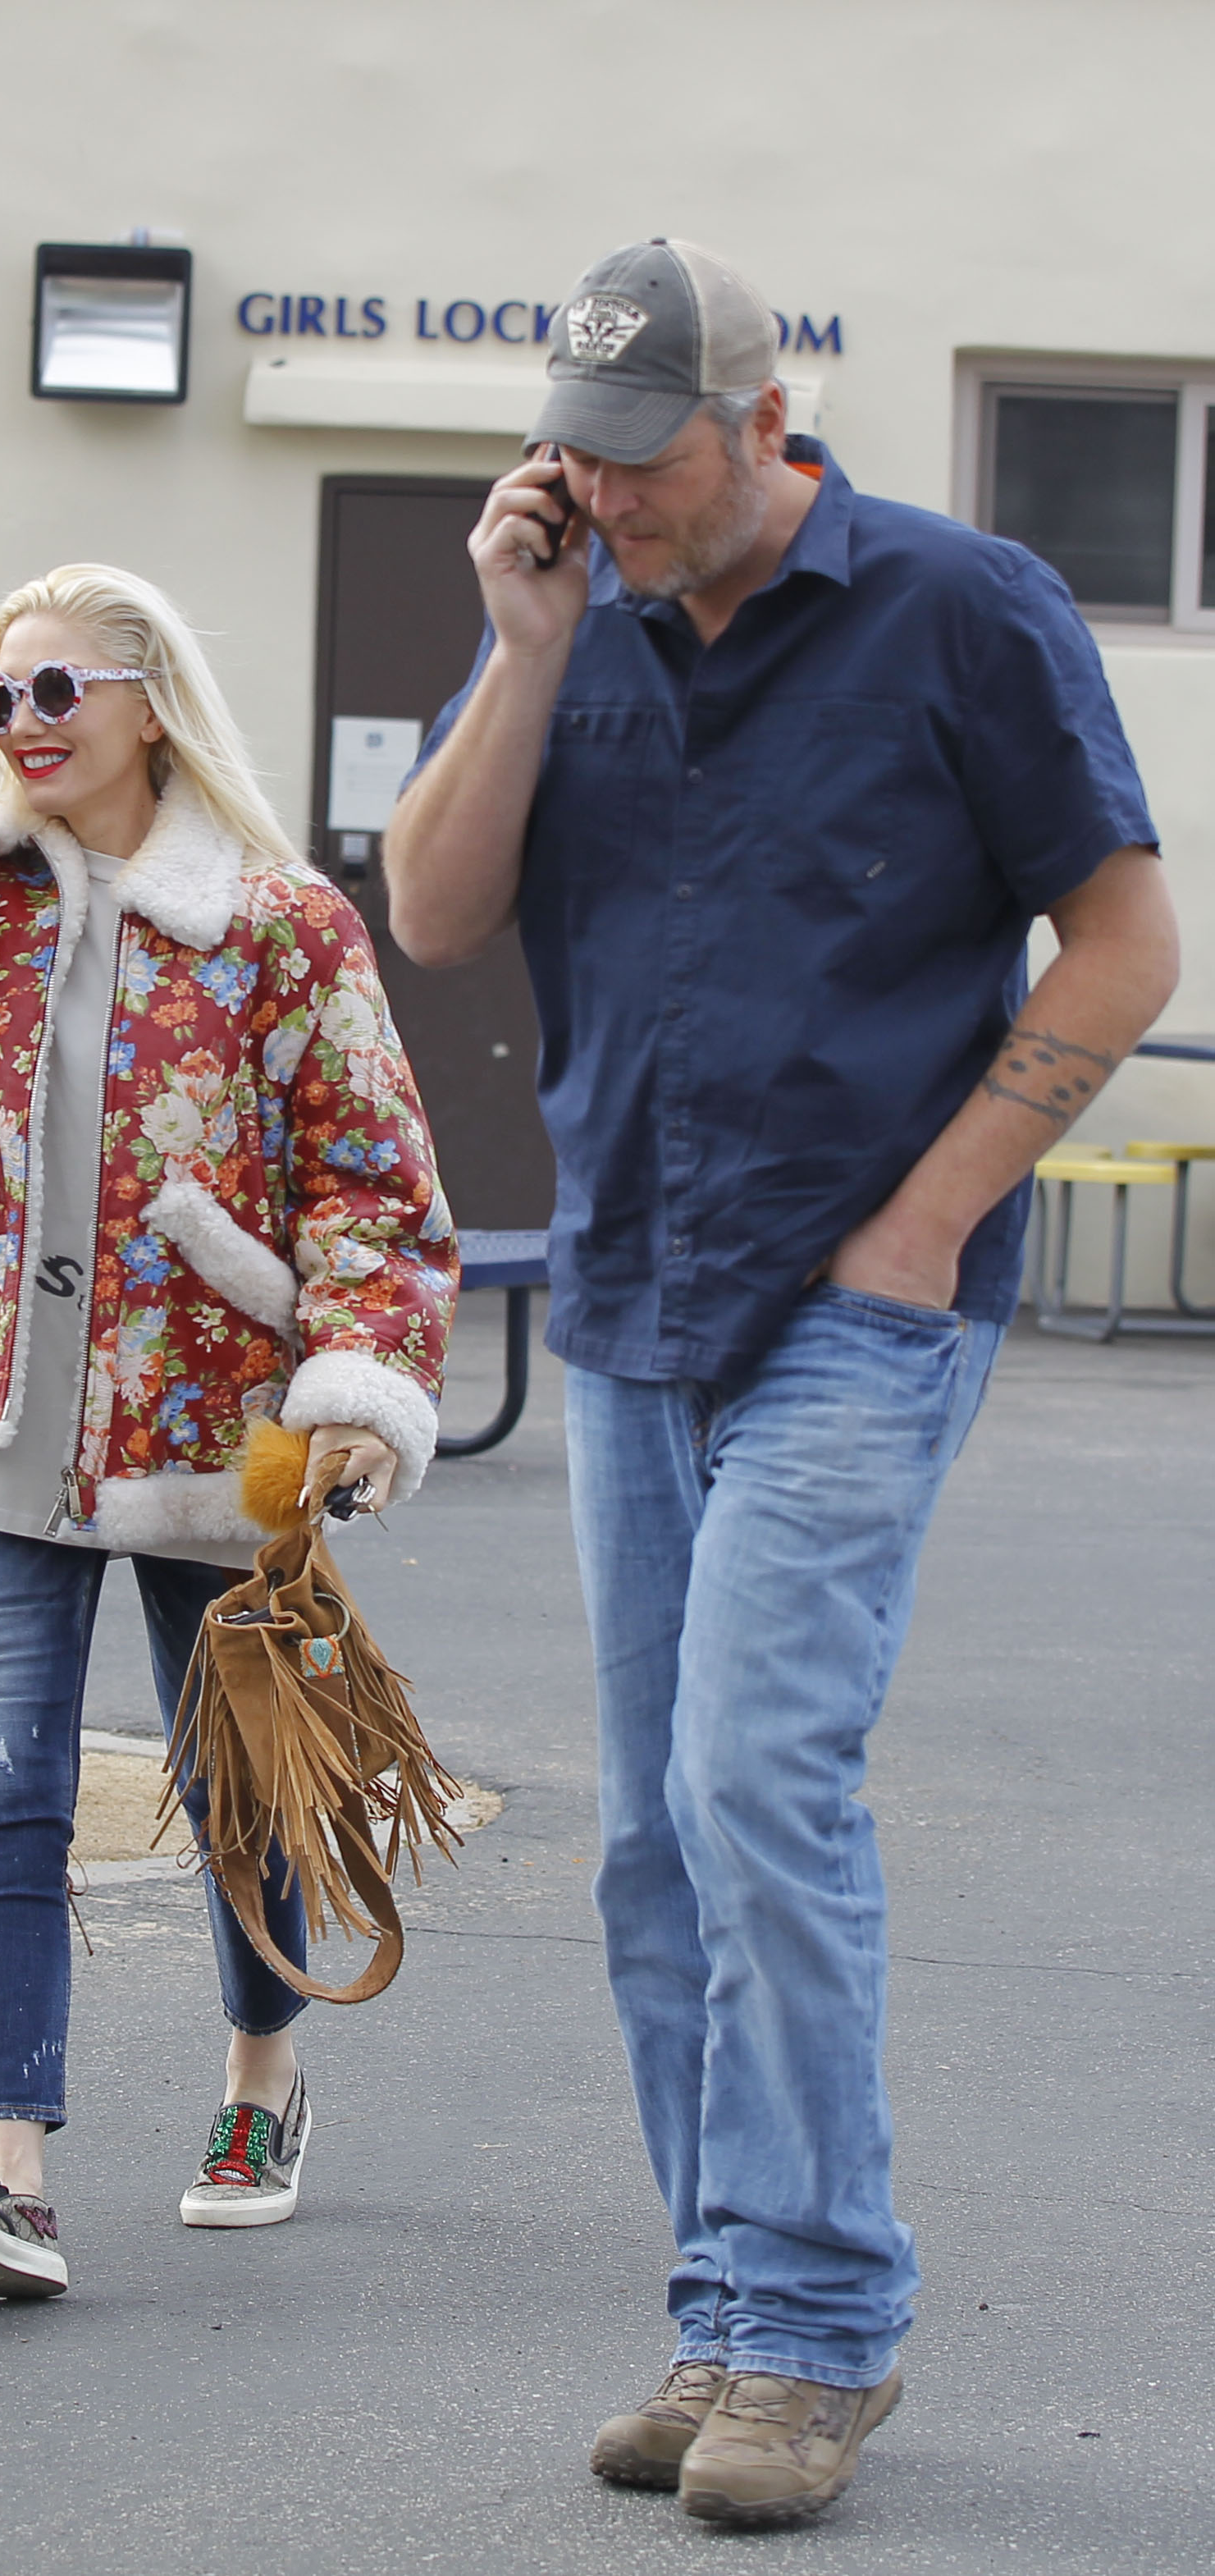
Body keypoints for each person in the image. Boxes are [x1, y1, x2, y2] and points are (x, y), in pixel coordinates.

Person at [383, 238, 1176, 2525]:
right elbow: (432, 911)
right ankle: (725, 2300)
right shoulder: (566, 607)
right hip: (632, 1287)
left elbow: (1120, 934)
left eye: (647, 459)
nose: (608, 497)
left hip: (851, 1295)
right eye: (580, 457)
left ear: (758, 421)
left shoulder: (960, 602)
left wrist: (928, 1218)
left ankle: (820, 2325)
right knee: (647, 1835)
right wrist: (526, 644)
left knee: (753, 1783)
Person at [0, 562, 456, 2301]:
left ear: (153, 703)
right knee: (3, 1786)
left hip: (207, 1424)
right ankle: (9, 2176)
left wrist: (361, 1390)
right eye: (0, 695)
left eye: (60, 689)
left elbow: (373, 1184)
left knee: (237, 1782)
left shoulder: (284, 922)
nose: (25, 724)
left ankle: (259, 2081)